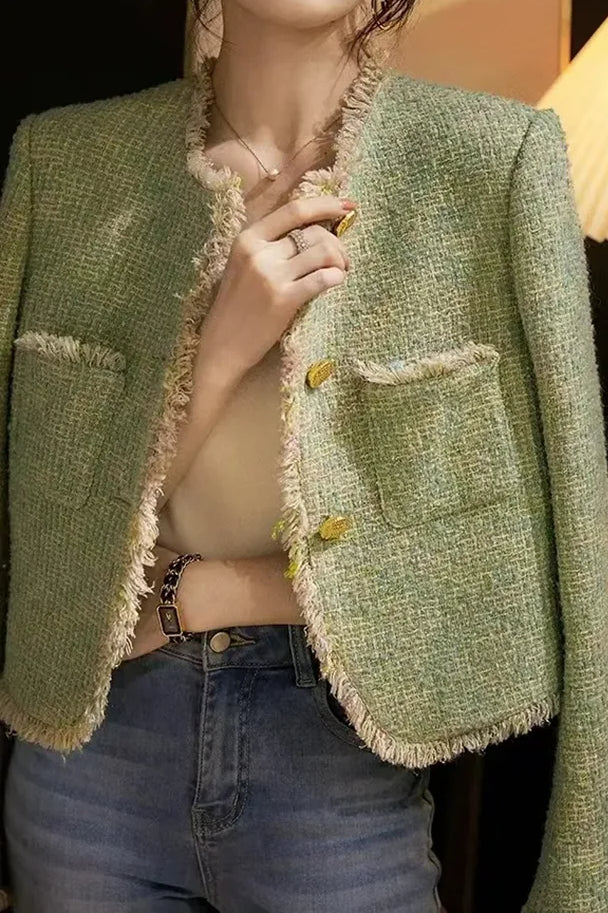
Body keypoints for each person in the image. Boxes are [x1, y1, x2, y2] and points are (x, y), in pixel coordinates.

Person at [0, 1, 607, 911]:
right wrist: (217, 353)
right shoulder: (66, 164)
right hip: (90, 762)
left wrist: (210, 590)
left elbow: (534, 560)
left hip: (340, 770)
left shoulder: (492, 162)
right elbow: (43, 538)